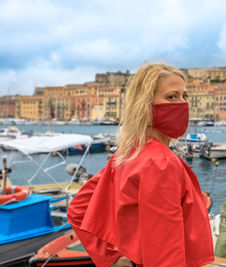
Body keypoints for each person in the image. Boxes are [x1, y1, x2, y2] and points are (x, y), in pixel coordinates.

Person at [67, 63, 215, 267]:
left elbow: (78, 209)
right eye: (172, 97)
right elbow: (165, 255)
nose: (182, 104)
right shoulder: (160, 163)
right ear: (145, 104)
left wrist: (111, 258)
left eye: (185, 96)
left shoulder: (129, 153)